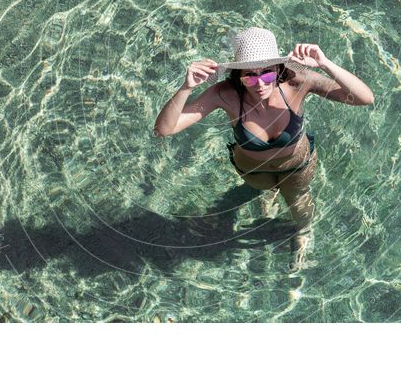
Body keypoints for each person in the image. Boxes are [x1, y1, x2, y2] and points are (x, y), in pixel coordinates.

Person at [153, 26, 374, 270]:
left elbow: (364, 98)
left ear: (279, 69)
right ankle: (270, 193)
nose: (259, 83)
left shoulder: (298, 82)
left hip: (296, 165)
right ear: (238, 76)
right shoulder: (224, 94)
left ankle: (302, 233)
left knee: (300, 206)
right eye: (250, 76)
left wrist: (325, 64)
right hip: (253, 171)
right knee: (263, 189)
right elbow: (164, 129)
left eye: (267, 74)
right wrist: (187, 87)